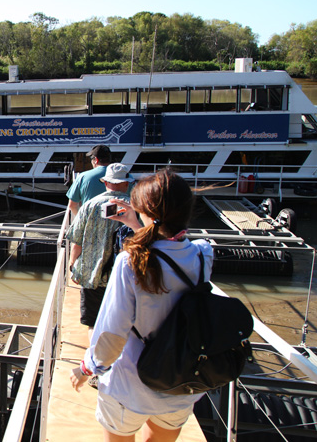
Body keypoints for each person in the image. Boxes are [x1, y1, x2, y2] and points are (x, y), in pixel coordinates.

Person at [70, 168, 213, 441]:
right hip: (181, 380)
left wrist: (86, 369)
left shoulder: (129, 262)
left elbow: (112, 333)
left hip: (131, 384)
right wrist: (141, 225)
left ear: (144, 212)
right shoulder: (204, 255)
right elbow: (173, 249)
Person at [65, 163, 134, 341]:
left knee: (93, 324)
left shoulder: (90, 205)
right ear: (127, 183)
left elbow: (76, 241)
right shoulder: (138, 208)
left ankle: (95, 363)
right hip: (126, 279)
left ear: (104, 182)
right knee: (123, 324)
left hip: (92, 275)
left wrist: (73, 266)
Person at [66, 145, 112, 218]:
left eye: (91, 158)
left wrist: (81, 219)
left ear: (96, 160)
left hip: (91, 222)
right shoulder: (126, 177)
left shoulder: (83, 176)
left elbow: (72, 205)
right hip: (117, 225)